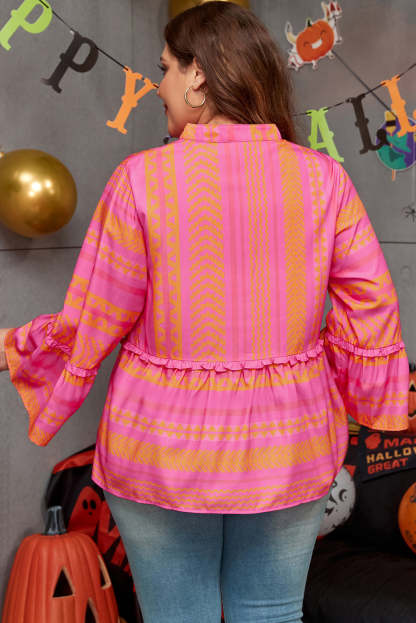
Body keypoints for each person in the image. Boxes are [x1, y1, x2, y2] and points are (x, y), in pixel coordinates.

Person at [0, 3, 409, 622]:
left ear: (198, 75)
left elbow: (94, 315)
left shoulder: (142, 179)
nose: (159, 86)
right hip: (289, 444)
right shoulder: (323, 179)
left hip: (160, 445)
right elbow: (371, 304)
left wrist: (18, 348)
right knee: (271, 614)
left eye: (165, 69)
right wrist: (349, 391)